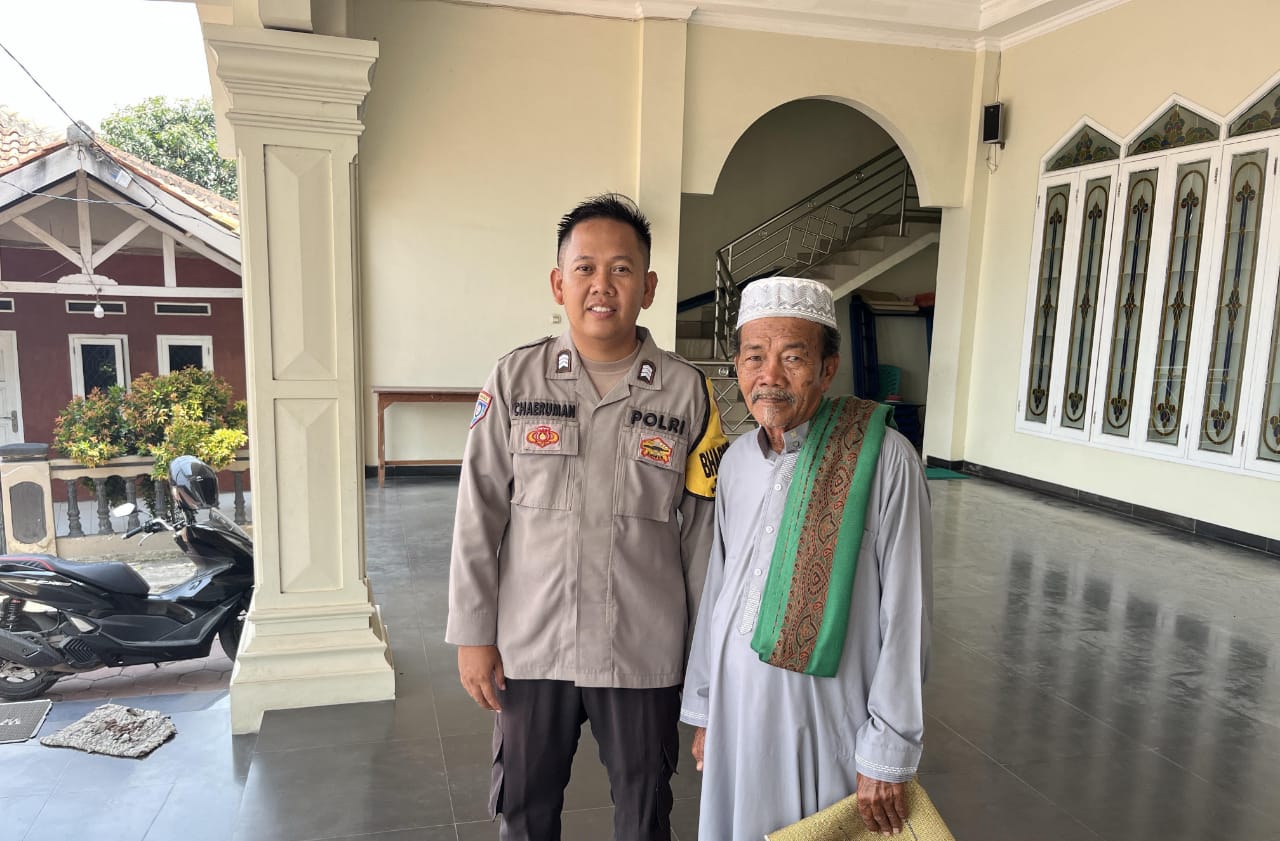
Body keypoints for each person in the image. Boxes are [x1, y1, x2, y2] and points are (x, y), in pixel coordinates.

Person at [446, 194, 728, 841]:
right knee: (525, 810)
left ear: (648, 287)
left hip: (642, 648)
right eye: (585, 268)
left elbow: (704, 540)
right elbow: (477, 514)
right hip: (532, 644)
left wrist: (706, 663)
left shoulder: (687, 392)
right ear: (559, 283)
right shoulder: (515, 379)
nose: (603, 285)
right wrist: (473, 634)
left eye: (622, 269)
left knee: (644, 813)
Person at [680, 276, 932, 839]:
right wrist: (706, 710)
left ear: (827, 368)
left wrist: (888, 747)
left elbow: (907, 612)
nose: (769, 376)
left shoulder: (884, 460)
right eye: (754, 357)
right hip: (736, 714)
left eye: (792, 358)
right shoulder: (736, 462)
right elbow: (720, 588)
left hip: (826, 723)